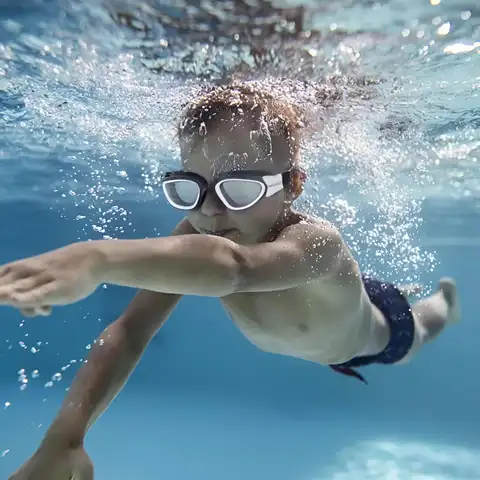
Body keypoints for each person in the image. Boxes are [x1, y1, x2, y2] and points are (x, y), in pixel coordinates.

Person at [2, 83, 460, 480]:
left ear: (294, 186)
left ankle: (443, 300)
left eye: (238, 189)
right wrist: (66, 437)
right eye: (190, 188)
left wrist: (97, 258)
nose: (211, 211)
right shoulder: (198, 233)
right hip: (328, 309)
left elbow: (237, 269)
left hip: (376, 333)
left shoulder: (320, 243)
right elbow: (129, 331)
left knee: (420, 329)